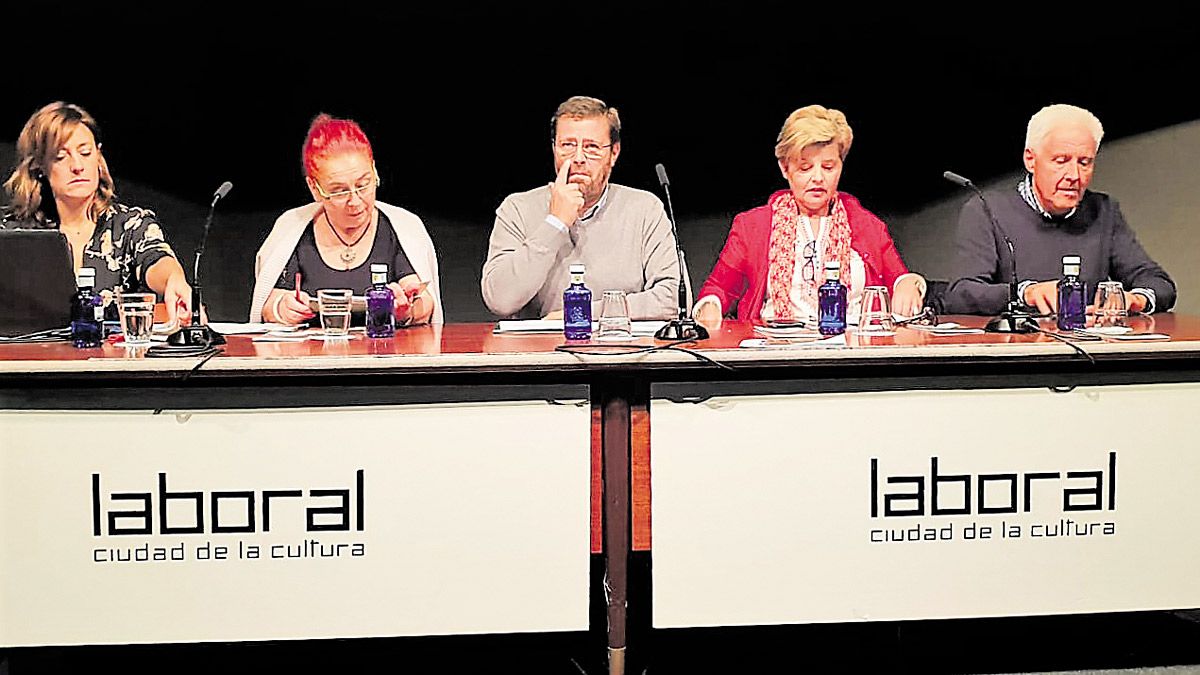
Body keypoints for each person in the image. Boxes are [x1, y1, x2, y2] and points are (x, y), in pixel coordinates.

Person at [694, 105, 926, 326]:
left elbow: (900, 279)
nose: (818, 178)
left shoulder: (866, 225)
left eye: (828, 167)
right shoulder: (752, 226)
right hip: (776, 350)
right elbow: (718, 289)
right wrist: (710, 306)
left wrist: (908, 283)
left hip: (852, 349)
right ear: (785, 168)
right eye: (805, 168)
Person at [943, 104, 1175, 316]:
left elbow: (1159, 283)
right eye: (1061, 160)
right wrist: (1026, 293)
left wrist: (1136, 299)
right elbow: (961, 293)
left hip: (1089, 351)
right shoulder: (986, 209)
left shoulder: (1104, 211)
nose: (1074, 176)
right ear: (1030, 160)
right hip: (1016, 350)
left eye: (1084, 162)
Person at [481, 95, 680, 320]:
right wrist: (555, 223)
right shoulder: (517, 209)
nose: (578, 158)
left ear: (613, 153)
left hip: (623, 351)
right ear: (554, 148)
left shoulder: (645, 209)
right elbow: (499, 299)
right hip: (542, 351)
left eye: (592, 147)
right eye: (567, 145)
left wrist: (581, 313)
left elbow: (674, 299)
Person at [1, 102, 193, 324]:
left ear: (98, 156)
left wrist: (174, 279)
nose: (77, 166)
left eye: (85, 152)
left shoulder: (130, 226)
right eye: (61, 157)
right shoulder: (14, 234)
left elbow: (157, 258)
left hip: (115, 358)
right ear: (39, 166)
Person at [250, 114, 441, 325]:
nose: (355, 201)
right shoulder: (292, 229)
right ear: (314, 188)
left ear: (374, 170)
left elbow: (424, 301)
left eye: (363, 184)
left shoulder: (402, 228)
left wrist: (406, 309)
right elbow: (269, 304)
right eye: (339, 191)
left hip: (385, 353)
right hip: (311, 355)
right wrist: (282, 309)